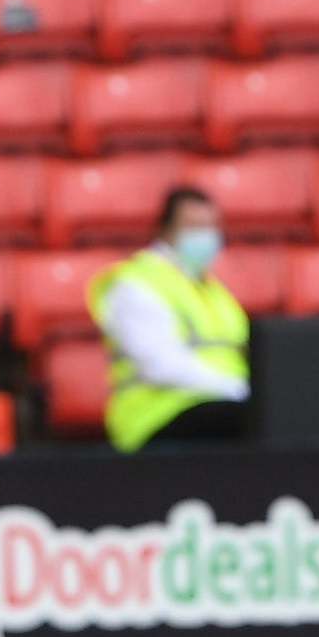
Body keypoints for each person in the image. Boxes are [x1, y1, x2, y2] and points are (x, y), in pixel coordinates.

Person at [89, 188, 251, 451]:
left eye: (211, 226)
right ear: (165, 231)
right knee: (254, 421)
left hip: (217, 407)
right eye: (194, 226)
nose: (206, 236)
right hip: (154, 418)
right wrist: (235, 388)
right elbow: (161, 365)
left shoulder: (214, 292)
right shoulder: (137, 284)